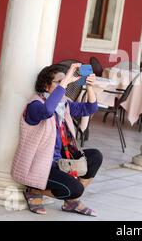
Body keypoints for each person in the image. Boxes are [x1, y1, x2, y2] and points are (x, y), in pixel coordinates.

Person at [11, 63, 102, 216]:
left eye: (64, 81)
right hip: (40, 164)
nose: (64, 85)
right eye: (59, 82)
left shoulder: (63, 103)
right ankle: (33, 190)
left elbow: (90, 109)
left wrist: (90, 87)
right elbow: (47, 110)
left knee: (95, 156)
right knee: (75, 189)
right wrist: (66, 80)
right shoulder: (35, 105)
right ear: (46, 86)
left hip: (61, 160)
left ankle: (71, 202)